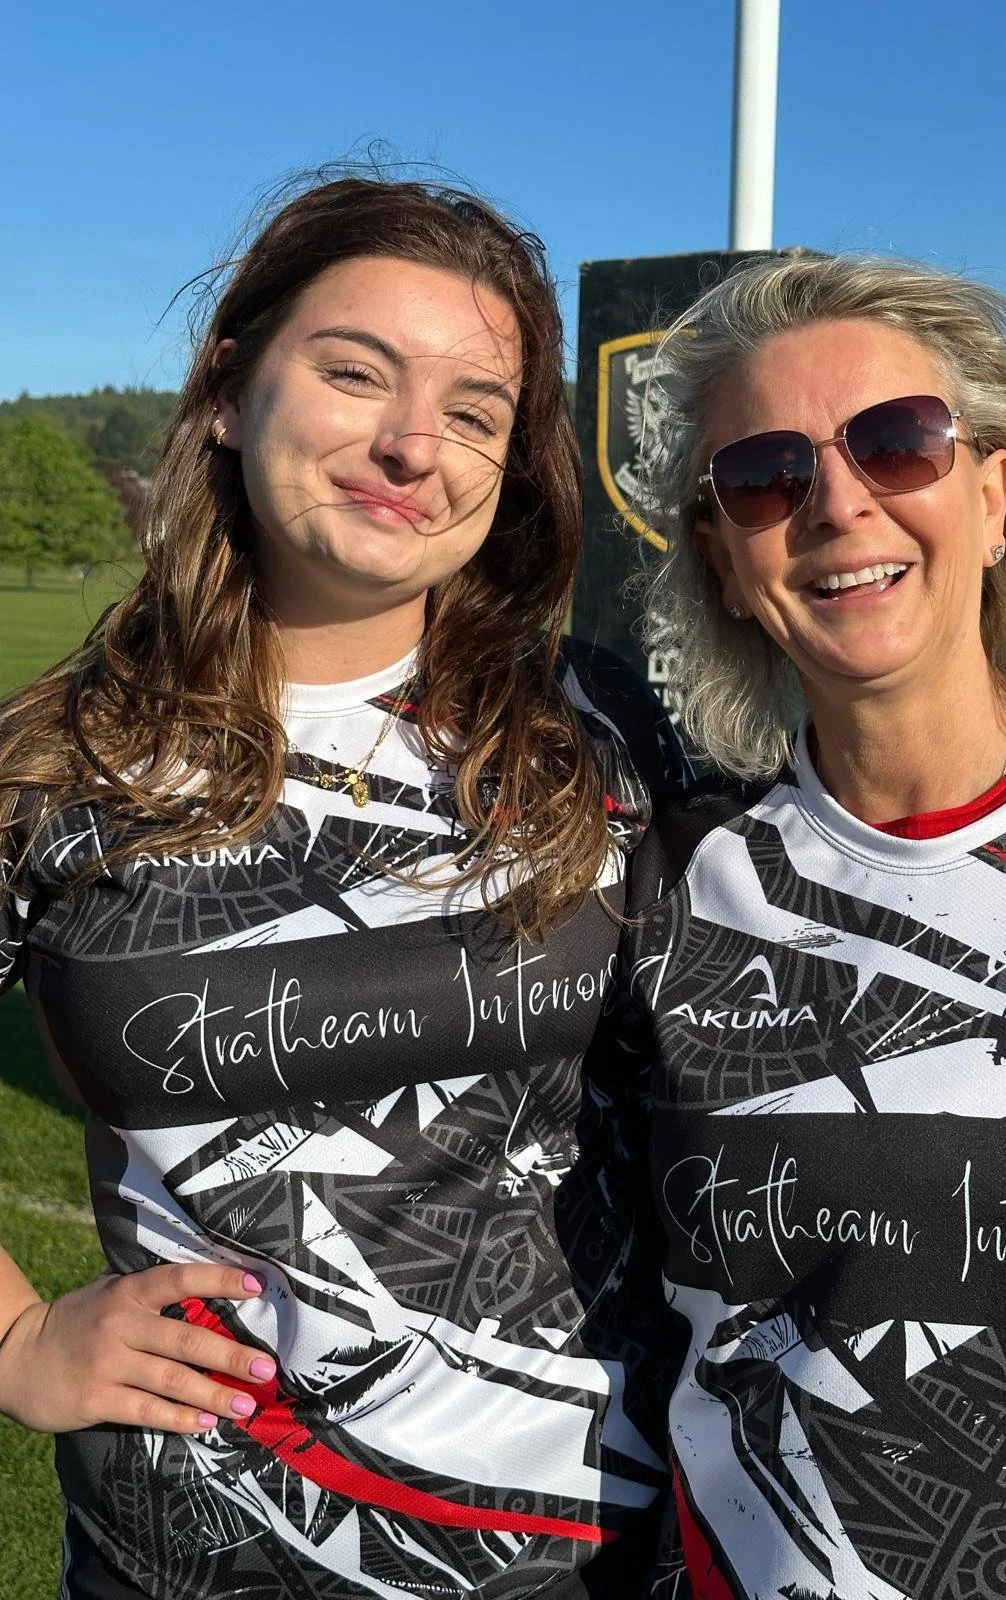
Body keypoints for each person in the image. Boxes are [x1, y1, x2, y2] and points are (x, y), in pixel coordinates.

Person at [0, 175, 688, 1598]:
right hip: (190, 1555)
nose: (411, 442)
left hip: (586, 1556)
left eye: (476, 411)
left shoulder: (602, 733)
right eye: (354, 371)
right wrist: (17, 1343)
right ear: (228, 388)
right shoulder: (57, 763)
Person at [614, 251, 1006, 1599]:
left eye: (897, 443)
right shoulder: (673, 881)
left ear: (995, 496)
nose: (835, 501)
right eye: (767, 476)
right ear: (722, 551)